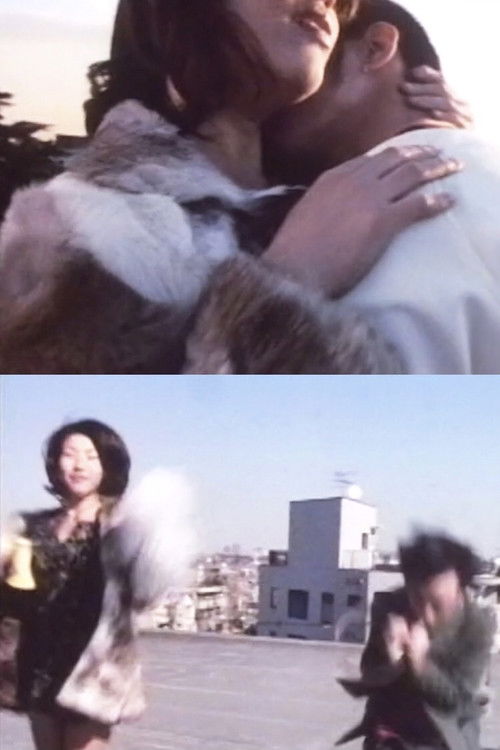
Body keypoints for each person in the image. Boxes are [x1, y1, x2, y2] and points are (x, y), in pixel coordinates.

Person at [0, 0, 463, 374]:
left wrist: (428, 134)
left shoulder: (327, 196)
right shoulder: (66, 232)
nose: (327, 5)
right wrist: (288, 281)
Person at [265, 0, 500, 373]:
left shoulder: (414, 203)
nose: (265, 103)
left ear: (374, 50)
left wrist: (277, 284)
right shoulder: (472, 171)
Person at [0, 419, 167, 750]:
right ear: (55, 463)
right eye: (69, 454)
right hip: (39, 660)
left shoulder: (120, 527)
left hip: (92, 666)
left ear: (108, 465)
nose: (79, 465)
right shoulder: (35, 526)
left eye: (92, 456)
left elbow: (146, 588)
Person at [336, 532, 497, 750]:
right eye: (418, 599)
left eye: (438, 605)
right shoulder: (391, 607)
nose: (426, 615)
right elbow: (368, 677)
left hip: (444, 740)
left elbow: (459, 702)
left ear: (460, 588)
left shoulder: (477, 626)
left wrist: (421, 663)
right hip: (390, 737)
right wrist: (393, 666)